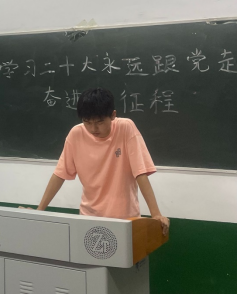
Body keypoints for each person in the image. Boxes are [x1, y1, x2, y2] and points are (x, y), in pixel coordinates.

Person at [29, 88, 170, 235]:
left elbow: (140, 173)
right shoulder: (76, 134)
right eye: (87, 122)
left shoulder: (125, 128)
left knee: (129, 250)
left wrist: (156, 214)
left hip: (126, 220)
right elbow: (59, 174)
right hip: (89, 218)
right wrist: (39, 211)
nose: (93, 128)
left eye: (99, 122)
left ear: (113, 115)